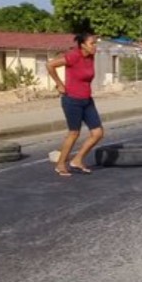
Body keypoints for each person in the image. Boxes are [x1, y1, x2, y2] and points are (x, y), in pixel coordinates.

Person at [46, 33, 104, 177]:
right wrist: (59, 84)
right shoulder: (74, 56)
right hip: (72, 100)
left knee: (98, 133)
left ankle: (77, 160)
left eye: (96, 43)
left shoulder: (90, 56)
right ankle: (60, 164)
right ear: (83, 45)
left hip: (87, 100)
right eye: (92, 44)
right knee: (74, 133)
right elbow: (50, 64)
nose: (95, 46)